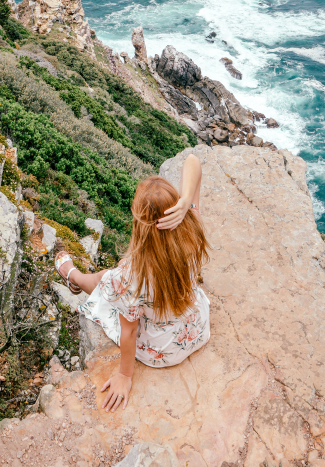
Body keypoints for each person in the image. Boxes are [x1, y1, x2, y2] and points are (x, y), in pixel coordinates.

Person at [54, 153, 209, 412]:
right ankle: (76, 278)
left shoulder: (130, 275)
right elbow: (193, 160)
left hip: (163, 350)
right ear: (176, 211)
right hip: (195, 329)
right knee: (114, 283)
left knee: (107, 280)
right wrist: (185, 203)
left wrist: (125, 376)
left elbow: (129, 331)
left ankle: (74, 277)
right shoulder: (192, 229)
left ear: (140, 223)